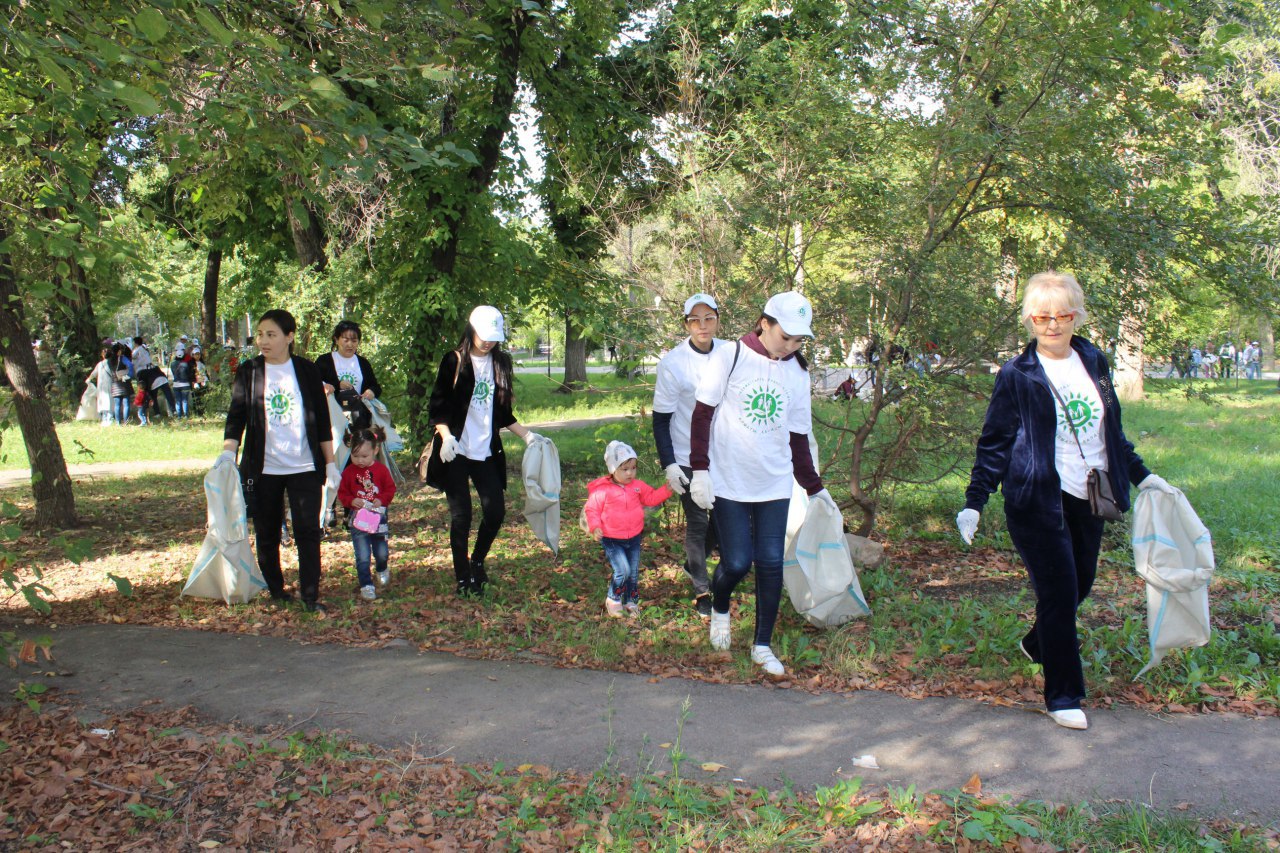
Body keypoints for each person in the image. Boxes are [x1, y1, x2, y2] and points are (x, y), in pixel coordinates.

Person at [956, 271, 1177, 731]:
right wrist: (975, 500)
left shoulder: (1094, 360)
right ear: (1029, 319)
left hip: (1089, 493)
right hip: (1036, 499)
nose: (1052, 325)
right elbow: (995, 442)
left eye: (1062, 315)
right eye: (1041, 316)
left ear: (1076, 316)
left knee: (1081, 584)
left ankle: (1040, 643)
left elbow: (1110, 433)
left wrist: (1145, 477)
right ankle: (1063, 694)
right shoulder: (1019, 375)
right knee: (1058, 593)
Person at [688, 291, 836, 677]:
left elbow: (798, 437)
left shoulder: (797, 372)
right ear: (764, 323)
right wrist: (700, 469)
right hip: (730, 480)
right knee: (737, 561)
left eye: (799, 340)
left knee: (771, 563)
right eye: (785, 336)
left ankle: (762, 645)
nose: (791, 346)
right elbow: (702, 416)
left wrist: (815, 488)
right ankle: (720, 608)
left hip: (774, 482)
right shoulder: (731, 356)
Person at [218, 309, 339, 614]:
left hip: (304, 467)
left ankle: (310, 595)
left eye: (271, 335)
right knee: (267, 533)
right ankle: (276, 589)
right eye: (260, 334)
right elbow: (236, 417)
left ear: (289, 337)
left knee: (307, 532)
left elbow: (321, 421)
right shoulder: (250, 371)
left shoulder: (308, 371)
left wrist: (331, 464)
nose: (263, 341)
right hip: (263, 470)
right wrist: (227, 453)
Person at [424, 305, 545, 597]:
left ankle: (477, 561)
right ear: (471, 329)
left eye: (493, 337)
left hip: (486, 451)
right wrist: (446, 437)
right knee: (461, 516)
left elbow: (503, 412)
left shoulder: (500, 363)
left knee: (495, 511)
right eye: (483, 335)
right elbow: (437, 406)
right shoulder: (454, 360)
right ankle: (463, 576)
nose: (488, 342)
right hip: (455, 451)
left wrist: (528, 436)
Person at [651, 292, 725, 618]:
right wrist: (669, 463)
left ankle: (692, 563)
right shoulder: (673, 364)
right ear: (686, 324)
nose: (703, 325)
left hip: (725, 454)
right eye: (695, 320)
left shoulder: (731, 354)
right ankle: (702, 592)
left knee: (724, 521)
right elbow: (661, 419)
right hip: (687, 456)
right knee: (697, 524)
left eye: (709, 318)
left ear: (717, 320)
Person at [585, 440, 674, 617]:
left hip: (633, 537)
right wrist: (595, 527)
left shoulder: (637, 486)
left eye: (633, 468)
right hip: (611, 538)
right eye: (624, 469)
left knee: (632, 573)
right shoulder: (603, 490)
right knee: (622, 570)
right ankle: (613, 598)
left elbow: (651, 498)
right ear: (612, 469)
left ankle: (631, 601)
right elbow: (592, 509)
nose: (630, 473)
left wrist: (667, 489)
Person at [337, 426, 397, 602]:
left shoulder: (381, 470)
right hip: (358, 520)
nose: (360, 460)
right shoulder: (348, 472)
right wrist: (350, 501)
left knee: (381, 552)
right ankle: (366, 585)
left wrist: (382, 500)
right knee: (362, 554)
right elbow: (343, 493)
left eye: (364, 456)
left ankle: (381, 568)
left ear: (375, 450)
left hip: (378, 517)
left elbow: (390, 489)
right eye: (355, 456)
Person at [315, 320, 383, 430]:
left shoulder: (363, 363)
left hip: (358, 419)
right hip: (331, 420)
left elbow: (375, 386)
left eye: (354, 341)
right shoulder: (324, 361)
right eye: (345, 340)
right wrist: (337, 385)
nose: (350, 345)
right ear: (336, 340)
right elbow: (313, 383)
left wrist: (371, 391)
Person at [107, 343, 133, 426]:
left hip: (115, 383)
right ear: (118, 351)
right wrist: (128, 376)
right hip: (124, 383)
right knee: (126, 404)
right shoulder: (122, 358)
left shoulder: (109, 360)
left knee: (117, 405)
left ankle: (117, 422)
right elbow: (130, 365)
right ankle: (126, 422)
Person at [87, 346, 114, 425]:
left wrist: (89, 379)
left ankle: (104, 418)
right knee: (109, 400)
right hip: (109, 384)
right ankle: (110, 418)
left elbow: (94, 373)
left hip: (101, 385)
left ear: (103, 355)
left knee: (102, 400)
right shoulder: (111, 363)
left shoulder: (100, 364)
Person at [170, 345, 193, 418]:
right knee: (185, 400)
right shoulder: (186, 364)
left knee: (178, 400)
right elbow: (189, 374)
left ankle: (179, 416)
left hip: (176, 384)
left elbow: (173, 373)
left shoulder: (172, 364)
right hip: (185, 384)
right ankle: (186, 415)